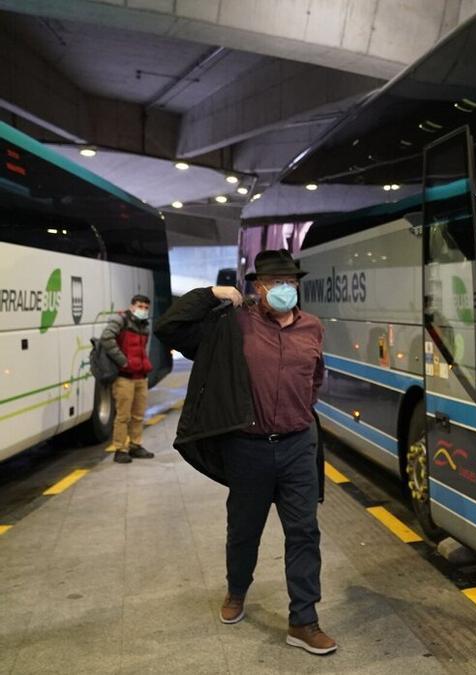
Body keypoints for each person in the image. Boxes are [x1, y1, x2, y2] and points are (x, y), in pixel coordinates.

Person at [154, 250, 335, 655]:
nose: (284, 289)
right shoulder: (231, 325)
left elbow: (315, 378)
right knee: (244, 531)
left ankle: (304, 620)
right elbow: (170, 326)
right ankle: (237, 591)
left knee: (304, 532)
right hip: (248, 448)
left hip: (297, 446)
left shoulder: (313, 327)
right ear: (257, 288)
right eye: (275, 283)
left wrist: (299, 413)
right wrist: (212, 292)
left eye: (291, 282)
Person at [101, 294, 155, 463]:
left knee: (138, 415)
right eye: (140, 306)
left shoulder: (144, 325)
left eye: (146, 308)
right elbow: (106, 337)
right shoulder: (120, 320)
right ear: (132, 306)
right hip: (124, 378)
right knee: (123, 416)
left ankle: (135, 445)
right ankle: (120, 449)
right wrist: (122, 361)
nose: (143, 310)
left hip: (141, 377)